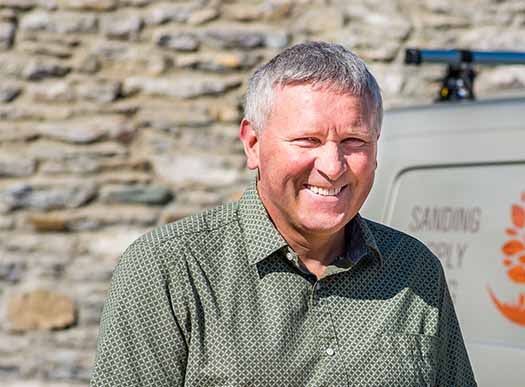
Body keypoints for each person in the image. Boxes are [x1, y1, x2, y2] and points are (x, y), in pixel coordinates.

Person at [91, 42, 476, 386]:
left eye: (352, 141)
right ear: (253, 144)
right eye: (308, 140)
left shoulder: (415, 269)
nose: (332, 165)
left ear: (376, 146)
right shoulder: (169, 269)